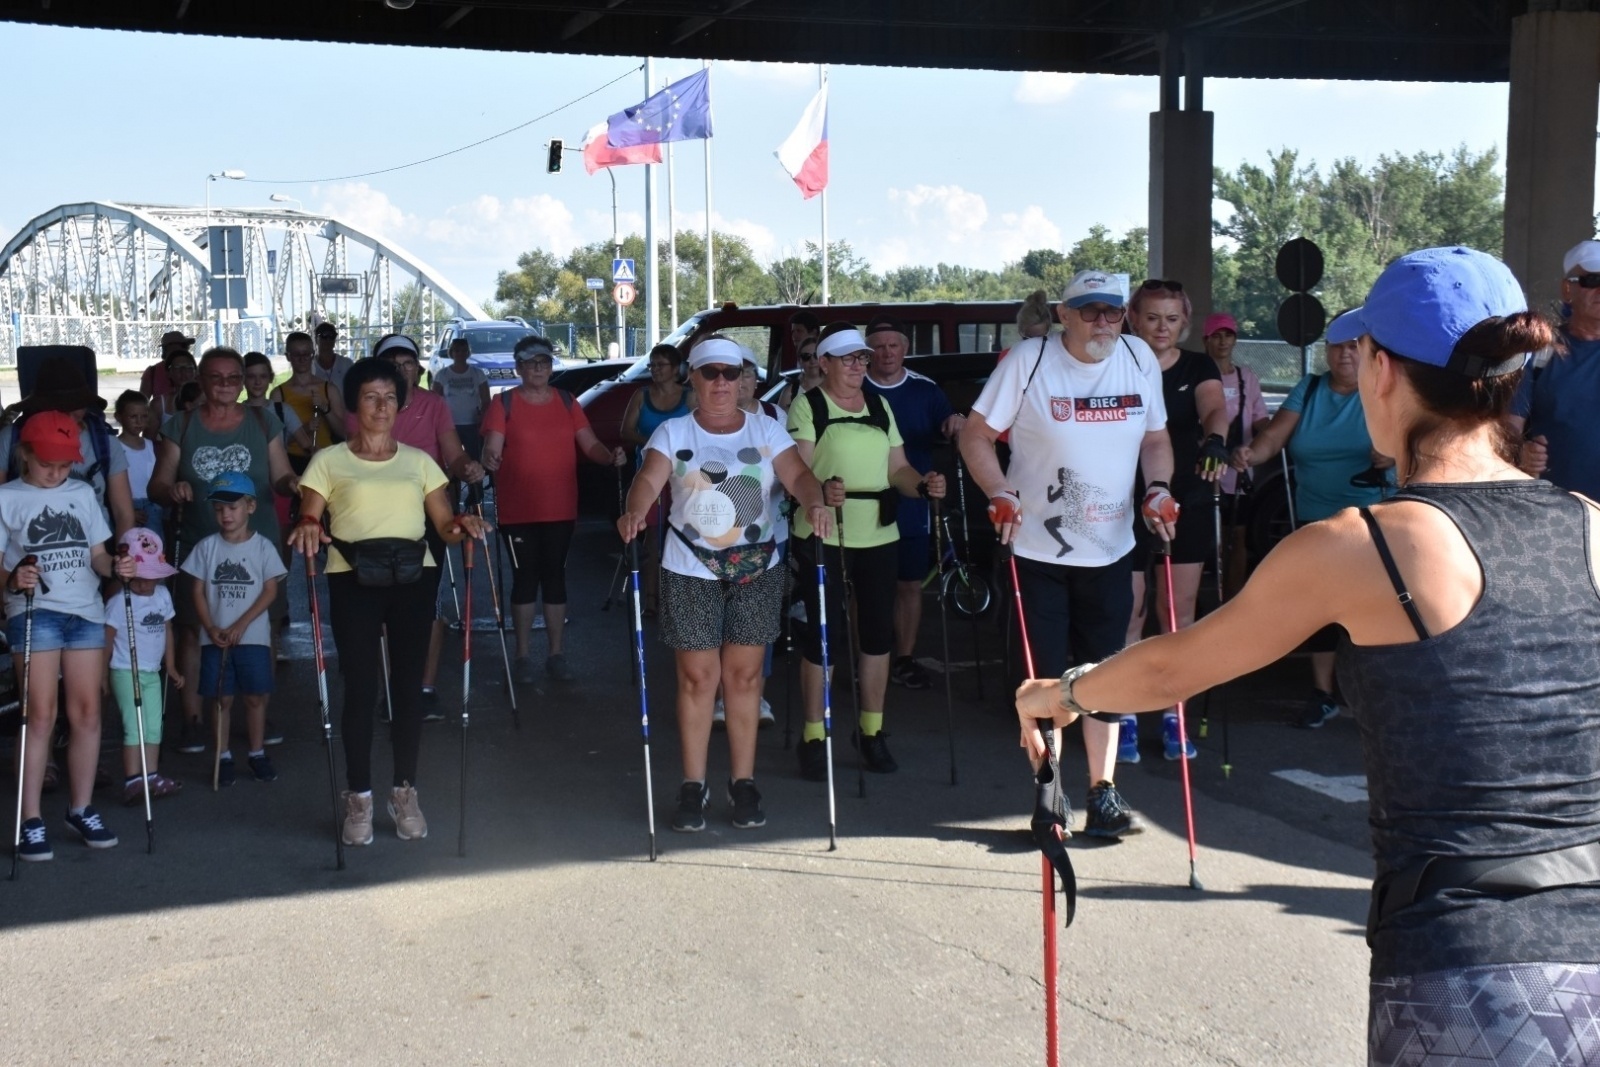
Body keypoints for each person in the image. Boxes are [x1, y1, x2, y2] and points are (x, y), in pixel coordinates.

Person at [1017, 245, 1600, 1065]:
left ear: (1384, 371)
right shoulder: (1588, 521)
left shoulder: (1364, 545)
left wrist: (1063, 692)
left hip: (1469, 973)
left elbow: (1169, 667)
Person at [959, 269, 1174, 839]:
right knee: (1046, 681)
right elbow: (975, 435)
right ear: (1064, 314)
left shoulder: (1137, 357)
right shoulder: (1030, 360)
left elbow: (1155, 439)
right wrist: (998, 492)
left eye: (1112, 310)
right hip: (1036, 550)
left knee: (1106, 677)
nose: (1103, 321)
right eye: (1089, 310)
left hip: (1111, 549)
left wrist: (1158, 489)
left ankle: (1102, 791)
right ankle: (1048, 789)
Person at [619, 336, 831, 831]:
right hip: (690, 564)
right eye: (709, 372)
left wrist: (814, 500)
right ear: (691, 377)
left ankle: (743, 782)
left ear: (742, 380)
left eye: (730, 373)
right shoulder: (672, 433)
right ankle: (693, 784)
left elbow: (798, 475)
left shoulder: (766, 429)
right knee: (697, 679)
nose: (720, 382)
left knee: (744, 679)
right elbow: (649, 482)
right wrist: (634, 513)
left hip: (757, 564)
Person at [291, 358, 485, 845]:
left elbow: (441, 524)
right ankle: (358, 798)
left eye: (391, 397)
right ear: (354, 405)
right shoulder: (328, 461)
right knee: (358, 689)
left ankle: (404, 791)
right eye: (371, 397)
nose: (382, 406)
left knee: (408, 689)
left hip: (412, 578)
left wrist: (461, 527)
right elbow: (310, 515)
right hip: (351, 578)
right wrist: (309, 527)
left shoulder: (419, 462)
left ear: (401, 404)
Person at [787, 324, 947, 779]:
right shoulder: (809, 404)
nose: (860, 365)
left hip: (878, 532)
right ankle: (815, 735)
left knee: (878, 636)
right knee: (825, 637)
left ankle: (871, 731)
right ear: (826, 364)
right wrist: (820, 490)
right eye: (850, 358)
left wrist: (922, 485)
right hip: (822, 531)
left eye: (862, 358)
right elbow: (796, 468)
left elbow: (897, 468)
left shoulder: (879, 405)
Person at [1232, 312, 1395, 728]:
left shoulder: (1384, 389)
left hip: (1373, 519)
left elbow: (1417, 446)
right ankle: (1322, 694)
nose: (1346, 353)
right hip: (1317, 522)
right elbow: (1274, 437)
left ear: (1369, 351)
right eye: (1338, 345)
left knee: (1370, 610)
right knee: (1321, 610)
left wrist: (1391, 456)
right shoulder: (1310, 388)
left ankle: (1377, 691)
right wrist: (1254, 452)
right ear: (1326, 350)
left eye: (1355, 345)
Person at [0, 411, 138, 860]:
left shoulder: (81, 493)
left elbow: (97, 555)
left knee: (88, 714)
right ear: (24, 454)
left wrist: (115, 567)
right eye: (47, 465)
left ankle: (81, 808)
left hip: (86, 613)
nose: (57, 473)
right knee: (39, 715)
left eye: (63, 465)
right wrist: (12, 578)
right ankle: (30, 818)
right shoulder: (7, 498)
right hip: (34, 612)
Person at [148, 347, 296, 754]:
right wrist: (172, 489)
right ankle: (194, 718)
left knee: (260, 630)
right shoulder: (181, 424)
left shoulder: (263, 421)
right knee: (195, 629)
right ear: (201, 378)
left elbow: (281, 474)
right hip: (200, 541)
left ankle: (255, 716)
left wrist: (294, 486)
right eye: (218, 378)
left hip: (257, 542)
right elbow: (156, 486)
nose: (228, 385)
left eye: (235, 377)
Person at [1120, 279, 1227, 764]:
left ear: (1184, 323)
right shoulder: (1117, 363)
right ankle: (1121, 713)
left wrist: (1217, 439)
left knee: (1176, 614)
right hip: (1123, 498)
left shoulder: (1198, 365)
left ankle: (1171, 715)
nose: (1161, 328)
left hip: (1186, 496)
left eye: (1171, 319)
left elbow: (1213, 407)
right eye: (1151, 317)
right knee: (1131, 612)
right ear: (1133, 318)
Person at [481, 334, 626, 683]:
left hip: (560, 508)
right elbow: (492, 447)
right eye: (531, 363)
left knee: (556, 577)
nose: (538, 369)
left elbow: (589, 444)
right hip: (517, 510)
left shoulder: (566, 401)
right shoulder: (504, 404)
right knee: (524, 579)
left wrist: (610, 457)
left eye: (544, 362)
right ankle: (522, 656)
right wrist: (491, 457)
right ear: (518, 367)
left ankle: (556, 654)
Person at [360, 335, 485, 716]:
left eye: (409, 362)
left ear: (419, 367)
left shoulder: (433, 404)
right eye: (393, 364)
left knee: (424, 605)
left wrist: (468, 467)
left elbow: (452, 453)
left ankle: (423, 687)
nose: (402, 370)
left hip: (429, 515)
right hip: (375, 517)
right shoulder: (363, 407)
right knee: (380, 607)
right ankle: (390, 690)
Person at [862, 314, 965, 691]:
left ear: (905, 350)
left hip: (912, 501)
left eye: (893, 346)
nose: (886, 353)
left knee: (908, 584)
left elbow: (950, 419)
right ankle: (867, 656)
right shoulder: (854, 387)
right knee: (865, 586)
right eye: (878, 347)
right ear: (867, 352)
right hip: (862, 500)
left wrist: (956, 419)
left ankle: (903, 658)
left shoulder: (925, 389)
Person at [182, 472, 286, 786]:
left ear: (251, 506)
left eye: (233, 507)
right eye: (219, 509)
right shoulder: (206, 548)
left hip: (252, 637)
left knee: (255, 696)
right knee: (220, 698)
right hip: (215, 638)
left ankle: (256, 753)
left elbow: (270, 590)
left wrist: (241, 624)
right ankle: (223, 755)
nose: (226, 515)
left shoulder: (263, 547)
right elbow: (197, 590)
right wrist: (210, 626)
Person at [0, 356, 136, 537]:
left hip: (97, 552)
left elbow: (124, 514)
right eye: (61, 409)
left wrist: (121, 557)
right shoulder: (12, 438)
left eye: (77, 407)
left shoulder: (105, 442)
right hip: (27, 554)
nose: (70, 417)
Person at [1510, 238, 1600, 498]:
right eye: (1592, 281)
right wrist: (1520, 453)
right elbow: (1508, 429)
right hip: (1556, 515)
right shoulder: (1538, 353)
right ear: (1567, 290)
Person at [105, 526, 183, 805]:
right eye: (139, 577)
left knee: (153, 727)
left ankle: (151, 775)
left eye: (151, 576)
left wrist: (171, 666)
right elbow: (108, 639)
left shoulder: (162, 597)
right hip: (127, 670)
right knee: (133, 726)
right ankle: (133, 780)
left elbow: (168, 632)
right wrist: (103, 675)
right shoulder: (118, 602)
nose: (145, 583)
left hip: (152, 670)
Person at [1203, 312, 1269, 597]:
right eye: (1216, 335)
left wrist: (1273, 440)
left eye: (1228, 335)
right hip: (1206, 469)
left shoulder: (1246, 377)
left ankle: (1234, 598)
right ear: (1206, 340)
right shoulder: (1199, 375)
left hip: (1239, 470)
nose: (1223, 341)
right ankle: (1208, 595)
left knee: (1238, 534)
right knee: (1211, 537)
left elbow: (1261, 421)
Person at [272, 331, 347, 475]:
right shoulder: (278, 394)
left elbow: (343, 432)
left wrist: (325, 408)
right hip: (292, 461)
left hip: (325, 458)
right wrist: (304, 429)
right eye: (296, 354)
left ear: (313, 354)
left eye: (306, 354)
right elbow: (275, 442)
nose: (302, 359)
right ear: (288, 356)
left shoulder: (328, 389)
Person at [432, 337, 490, 462]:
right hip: (450, 425)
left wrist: (483, 416)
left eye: (464, 351)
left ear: (468, 353)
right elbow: (434, 401)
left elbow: (486, 400)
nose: (460, 354)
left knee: (475, 458)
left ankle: (475, 481)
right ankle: (453, 481)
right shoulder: (442, 374)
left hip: (472, 424)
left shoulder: (477, 373)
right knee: (451, 459)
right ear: (451, 353)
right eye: (457, 351)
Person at [113, 389, 159, 533]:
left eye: (144, 417)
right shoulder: (114, 447)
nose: (139, 422)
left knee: (155, 548)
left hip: (153, 506)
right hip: (128, 505)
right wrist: (129, 510)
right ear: (119, 417)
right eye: (133, 416)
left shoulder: (152, 446)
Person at [147, 347, 198, 437]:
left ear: (195, 371)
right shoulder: (159, 404)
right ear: (169, 373)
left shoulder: (208, 400)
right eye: (178, 368)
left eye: (188, 368)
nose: (183, 372)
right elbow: (148, 440)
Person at [139, 330, 195, 403]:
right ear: (170, 348)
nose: (187, 350)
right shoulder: (152, 372)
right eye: (184, 346)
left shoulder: (193, 369)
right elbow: (141, 403)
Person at [776, 335, 823, 411]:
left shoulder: (835, 387)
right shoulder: (790, 392)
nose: (812, 361)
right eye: (806, 356)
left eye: (816, 355)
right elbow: (781, 420)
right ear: (799, 361)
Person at [311, 321, 354, 393]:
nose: (328, 339)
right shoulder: (309, 366)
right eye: (323, 336)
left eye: (332, 336)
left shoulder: (346, 364)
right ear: (316, 339)